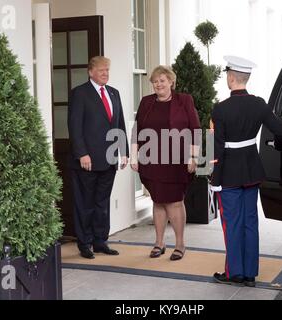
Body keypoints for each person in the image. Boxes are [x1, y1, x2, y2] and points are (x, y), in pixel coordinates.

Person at [211, 56, 282, 287]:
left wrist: (214, 178)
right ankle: (250, 274)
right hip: (252, 171)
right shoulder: (259, 104)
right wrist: (276, 145)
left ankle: (235, 273)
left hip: (229, 174)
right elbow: (281, 129)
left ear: (231, 78)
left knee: (231, 223)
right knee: (250, 222)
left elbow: (218, 148)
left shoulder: (221, 109)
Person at [131, 66, 201, 261]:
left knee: (175, 202)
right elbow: (137, 130)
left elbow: (195, 128)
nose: (158, 84)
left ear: (171, 81)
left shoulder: (184, 100)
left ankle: (180, 244)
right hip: (151, 159)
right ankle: (159, 243)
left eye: (162, 80)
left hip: (177, 161)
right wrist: (134, 155)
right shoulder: (146, 102)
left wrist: (193, 156)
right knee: (158, 201)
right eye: (155, 81)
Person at [68, 56, 129, 259]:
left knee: (102, 203)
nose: (105, 73)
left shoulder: (114, 93)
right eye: (101, 70)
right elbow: (74, 127)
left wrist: (124, 152)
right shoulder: (80, 93)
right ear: (90, 72)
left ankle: (100, 241)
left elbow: (119, 124)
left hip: (109, 159)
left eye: (107, 70)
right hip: (87, 160)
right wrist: (82, 154)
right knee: (85, 203)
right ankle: (84, 243)